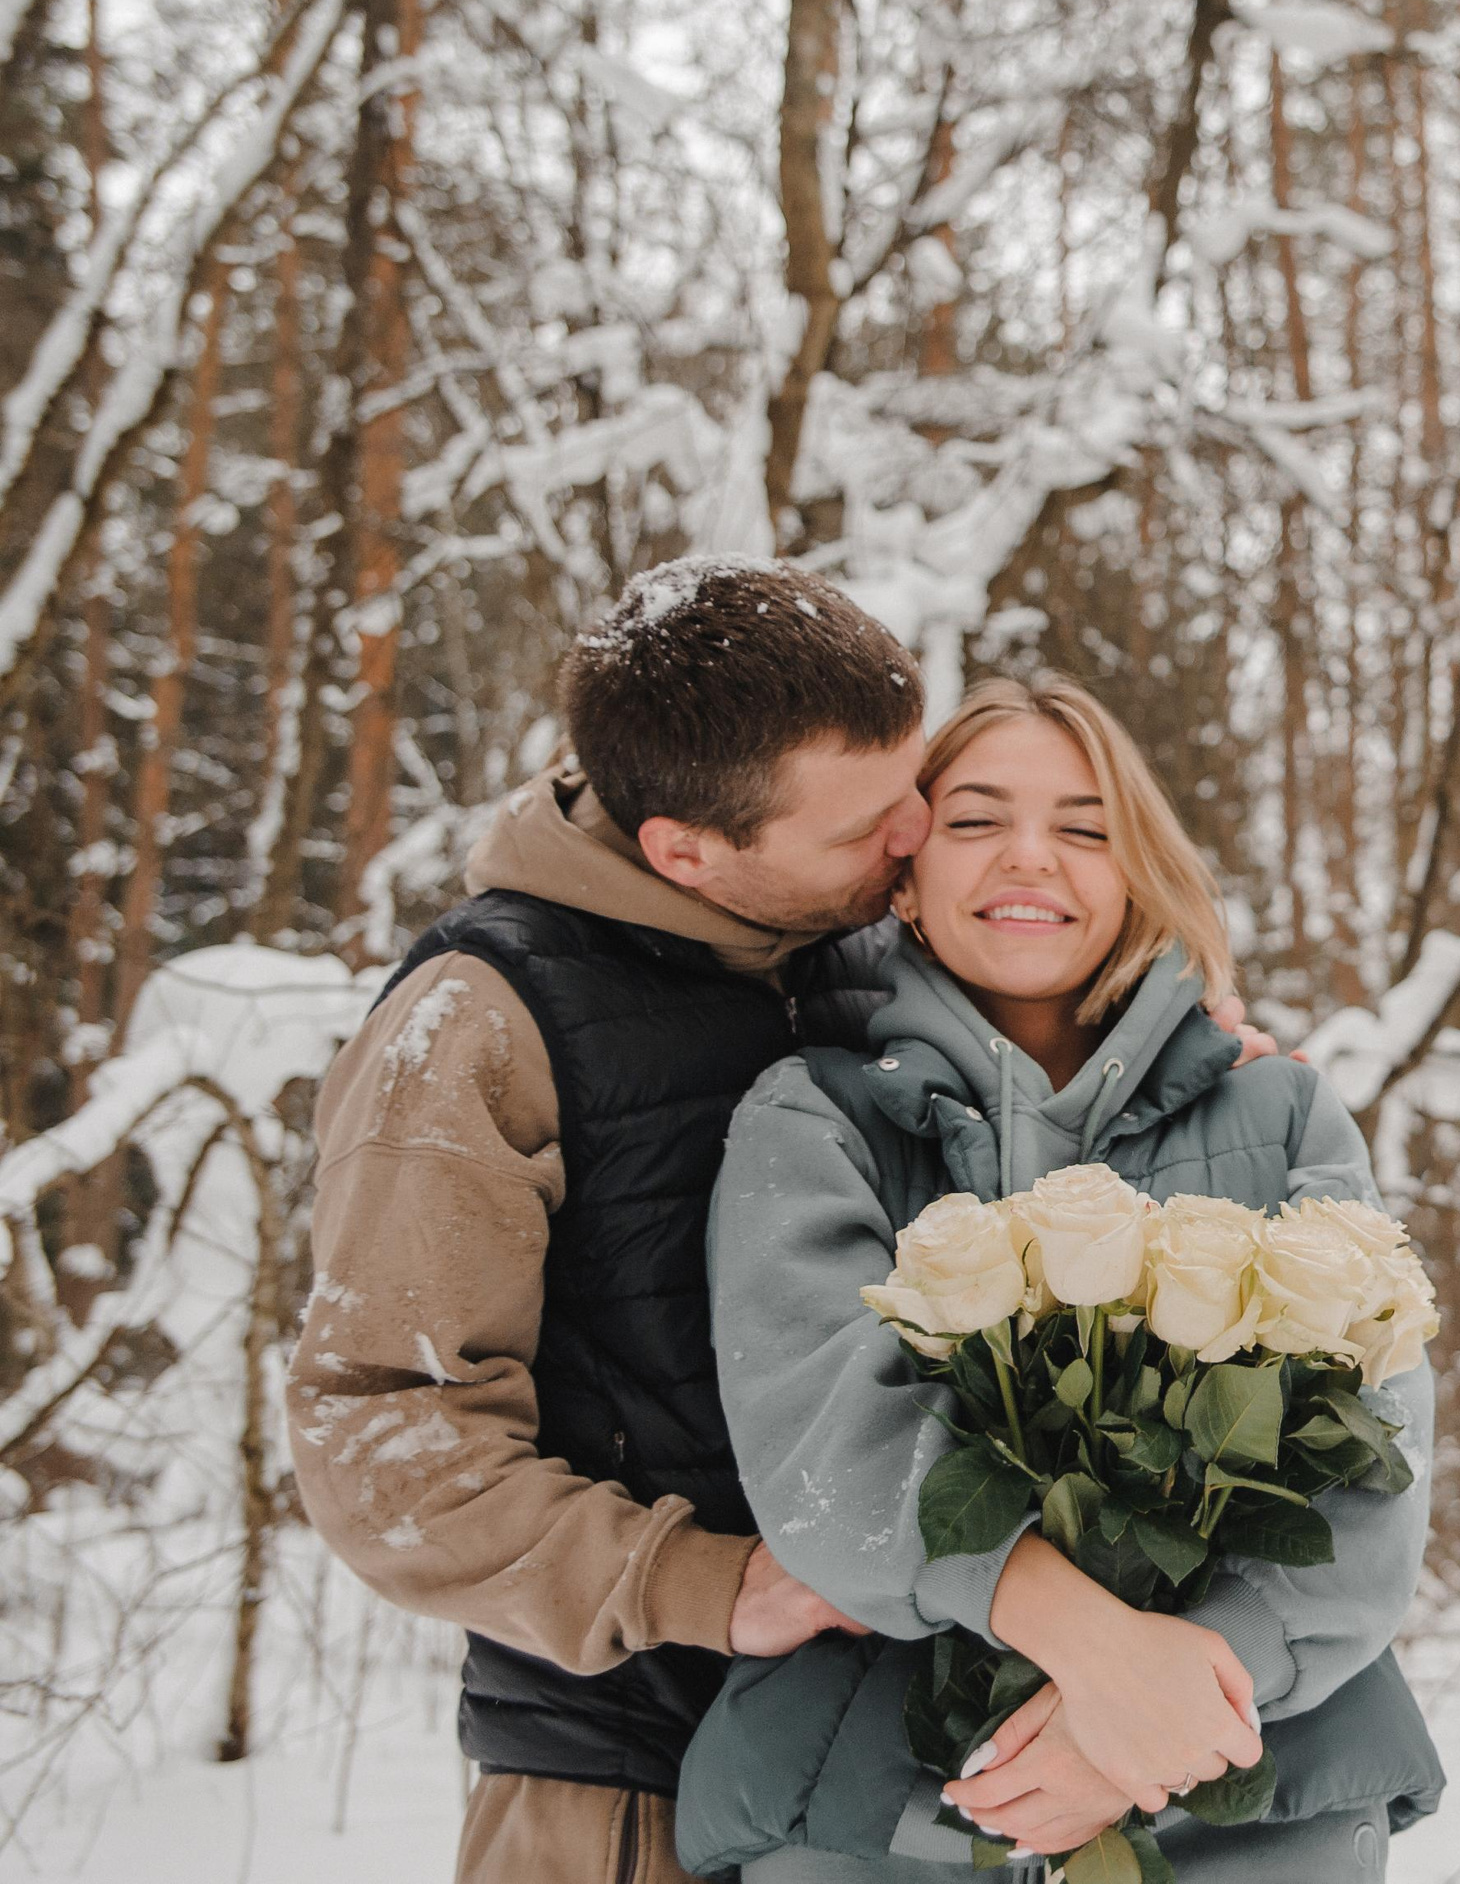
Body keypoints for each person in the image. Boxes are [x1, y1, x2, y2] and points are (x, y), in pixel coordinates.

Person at [287, 561, 1278, 1884]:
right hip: (623, 1786)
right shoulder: (480, 1022)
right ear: (686, 853)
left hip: (907, 1770)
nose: (920, 832)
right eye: (868, 823)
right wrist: (696, 1583)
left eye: (913, 783)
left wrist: (1163, 1054)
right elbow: (379, 1442)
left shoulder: (846, 944)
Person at [676, 672, 1442, 1883]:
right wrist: (1090, 1645)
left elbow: (1374, 1457)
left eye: (1086, 827)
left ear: (1137, 865)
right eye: (976, 820)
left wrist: (1147, 1725)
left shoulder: (1283, 1111)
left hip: (1250, 1782)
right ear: (906, 875)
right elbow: (822, 1438)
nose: (1031, 857)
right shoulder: (811, 1114)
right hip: (874, 1805)